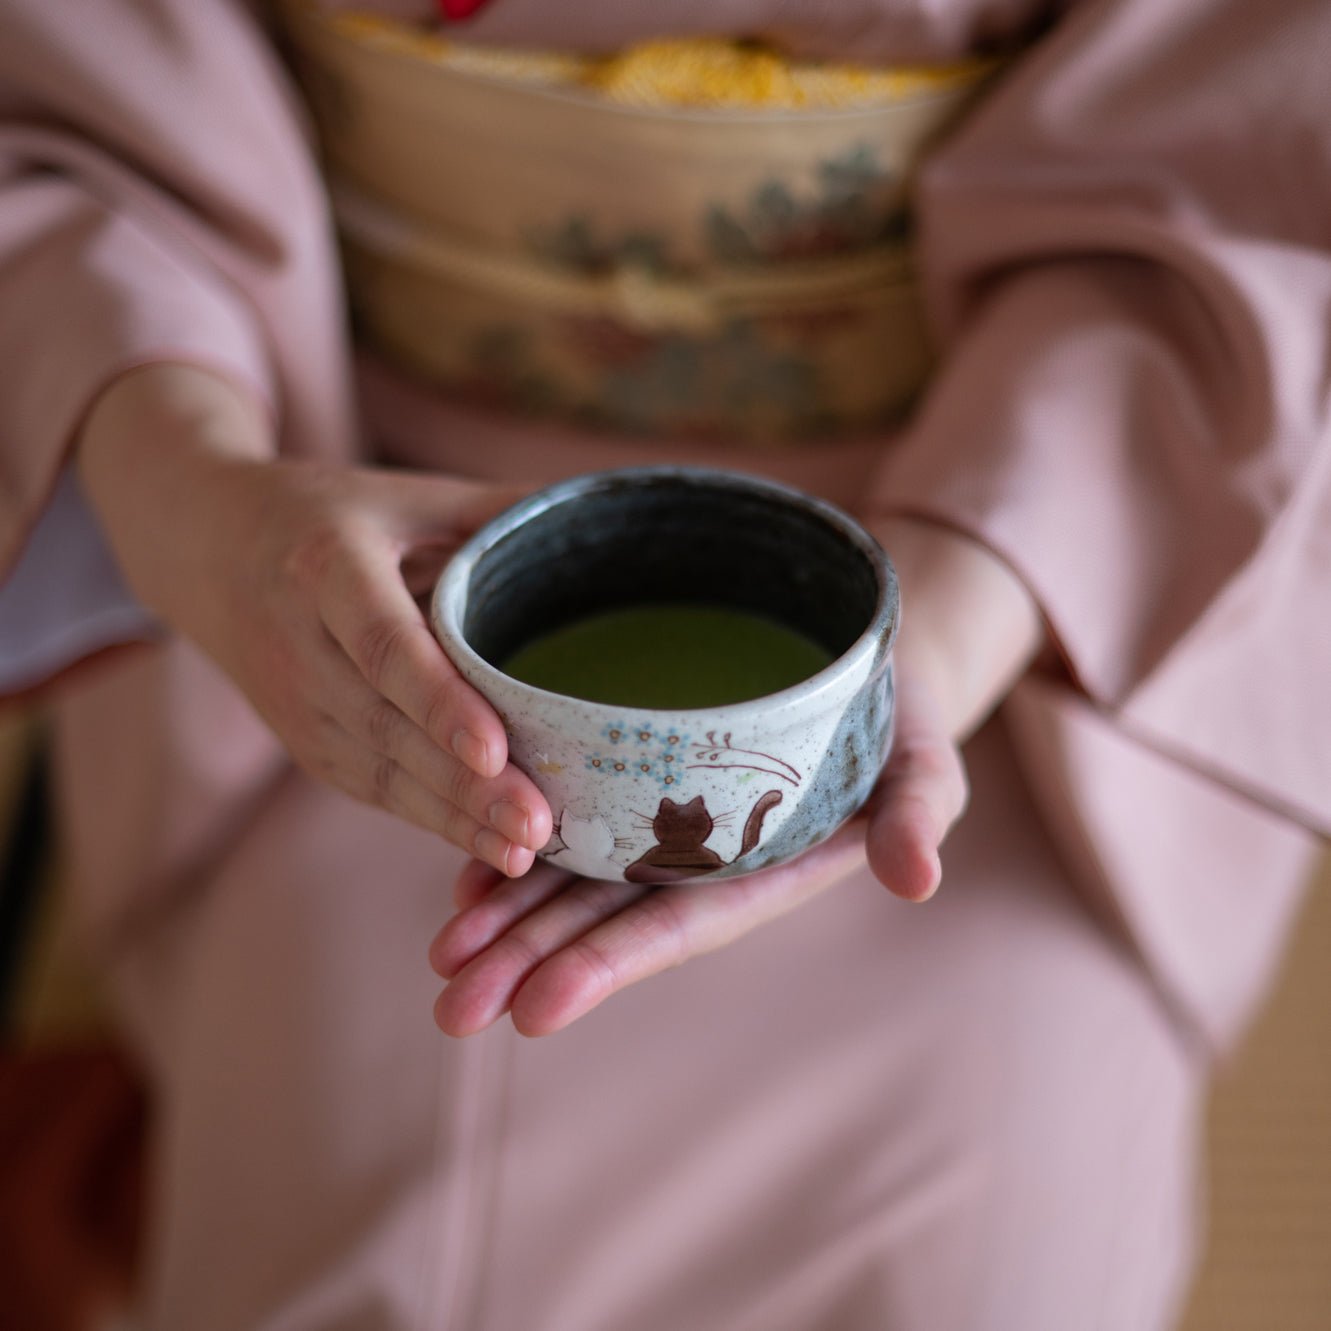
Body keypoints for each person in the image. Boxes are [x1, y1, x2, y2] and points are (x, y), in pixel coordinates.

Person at [0, 1, 1327, 1327]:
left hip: (1024, 567)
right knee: (347, 1173)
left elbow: (1248, 146)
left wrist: (960, 614)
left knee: (992, 1246)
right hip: (353, 547)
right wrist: (204, 509)